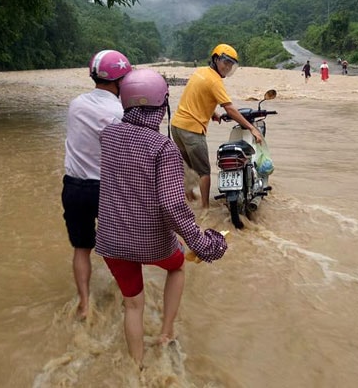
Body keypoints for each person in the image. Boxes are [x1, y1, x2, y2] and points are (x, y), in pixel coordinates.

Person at [95, 69, 228, 366]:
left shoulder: (107, 135)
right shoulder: (162, 148)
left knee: (133, 304)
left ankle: (137, 368)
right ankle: (166, 332)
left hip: (110, 239)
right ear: (161, 106)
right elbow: (171, 205)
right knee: (177, 266)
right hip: (151, 242)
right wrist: (200, 241)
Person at [61, 49, 133, 319]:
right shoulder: (121, 112)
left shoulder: (76, 103)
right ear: (120, 81)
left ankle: (83, 302)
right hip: (107, 189)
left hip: (74, 187)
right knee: (122, 246)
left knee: (82, 248)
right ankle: (127, 296)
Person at [171, 44, 263, 209]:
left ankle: (189, 201)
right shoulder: (215, 81)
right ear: (215, 59)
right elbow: (230, 108)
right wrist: (251, 128)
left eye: (230, 64)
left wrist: (212, 113)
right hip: (192, 130)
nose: (227, 67)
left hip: (177, 127)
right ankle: (205, 209)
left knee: (188, 167)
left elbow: (197, 96)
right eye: (225, 62)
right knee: (204, 172)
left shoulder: (200, 72)